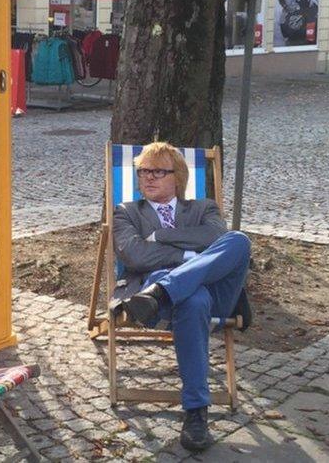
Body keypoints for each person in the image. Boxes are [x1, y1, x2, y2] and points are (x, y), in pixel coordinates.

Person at [111, 142, 251, 452]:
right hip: (168, 292)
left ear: (179, 177)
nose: (148, 178)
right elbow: (135, 255)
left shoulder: (204, 208)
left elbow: (216, 238)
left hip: (182, 296)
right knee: (194, 298)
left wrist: (160, 237)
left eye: (158, 171)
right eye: (144, 171)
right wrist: (194, 256)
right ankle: (196, 413)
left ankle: (162, 293)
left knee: (238, 241)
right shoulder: (127, 212)